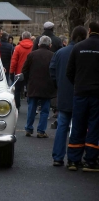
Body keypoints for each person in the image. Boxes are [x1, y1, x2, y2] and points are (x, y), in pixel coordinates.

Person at [49, 26, 88, 167]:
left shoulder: (60, 52)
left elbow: (52, 70)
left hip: (64, 93)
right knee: (79, 127)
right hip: (82, 94)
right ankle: (75, 158)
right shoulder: (85, 53)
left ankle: (58, 157)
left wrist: (58, 85)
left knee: (62, 125)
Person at [66, 22, 99, 172]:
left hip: (80, 92)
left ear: (89, 30)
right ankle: (90, 161)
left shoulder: (78, 47)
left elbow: (69, 72)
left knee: (78, 125)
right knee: (94, 127)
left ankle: (73, 160)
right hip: (97, 95)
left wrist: (78, 84)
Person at [21, 36, 56, 138]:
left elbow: (24, 70)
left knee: (32, 108)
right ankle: (41, 131)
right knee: (45, 110)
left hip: (33, 85)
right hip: (47, 86)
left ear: (39, 44)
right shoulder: (53, 56)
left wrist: (28, 82)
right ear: (50, 45)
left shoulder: (32, 55)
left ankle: (28, 128)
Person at [9, 31, 33, 111]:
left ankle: (17, 106)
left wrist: (11, 72)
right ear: (30, 37)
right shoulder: (33, 47)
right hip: (30, 72)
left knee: (17, 90)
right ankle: (31, 106)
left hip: (19, 72)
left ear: (22, 37)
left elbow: (14, 61)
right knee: (30, 90)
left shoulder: (18, 48)